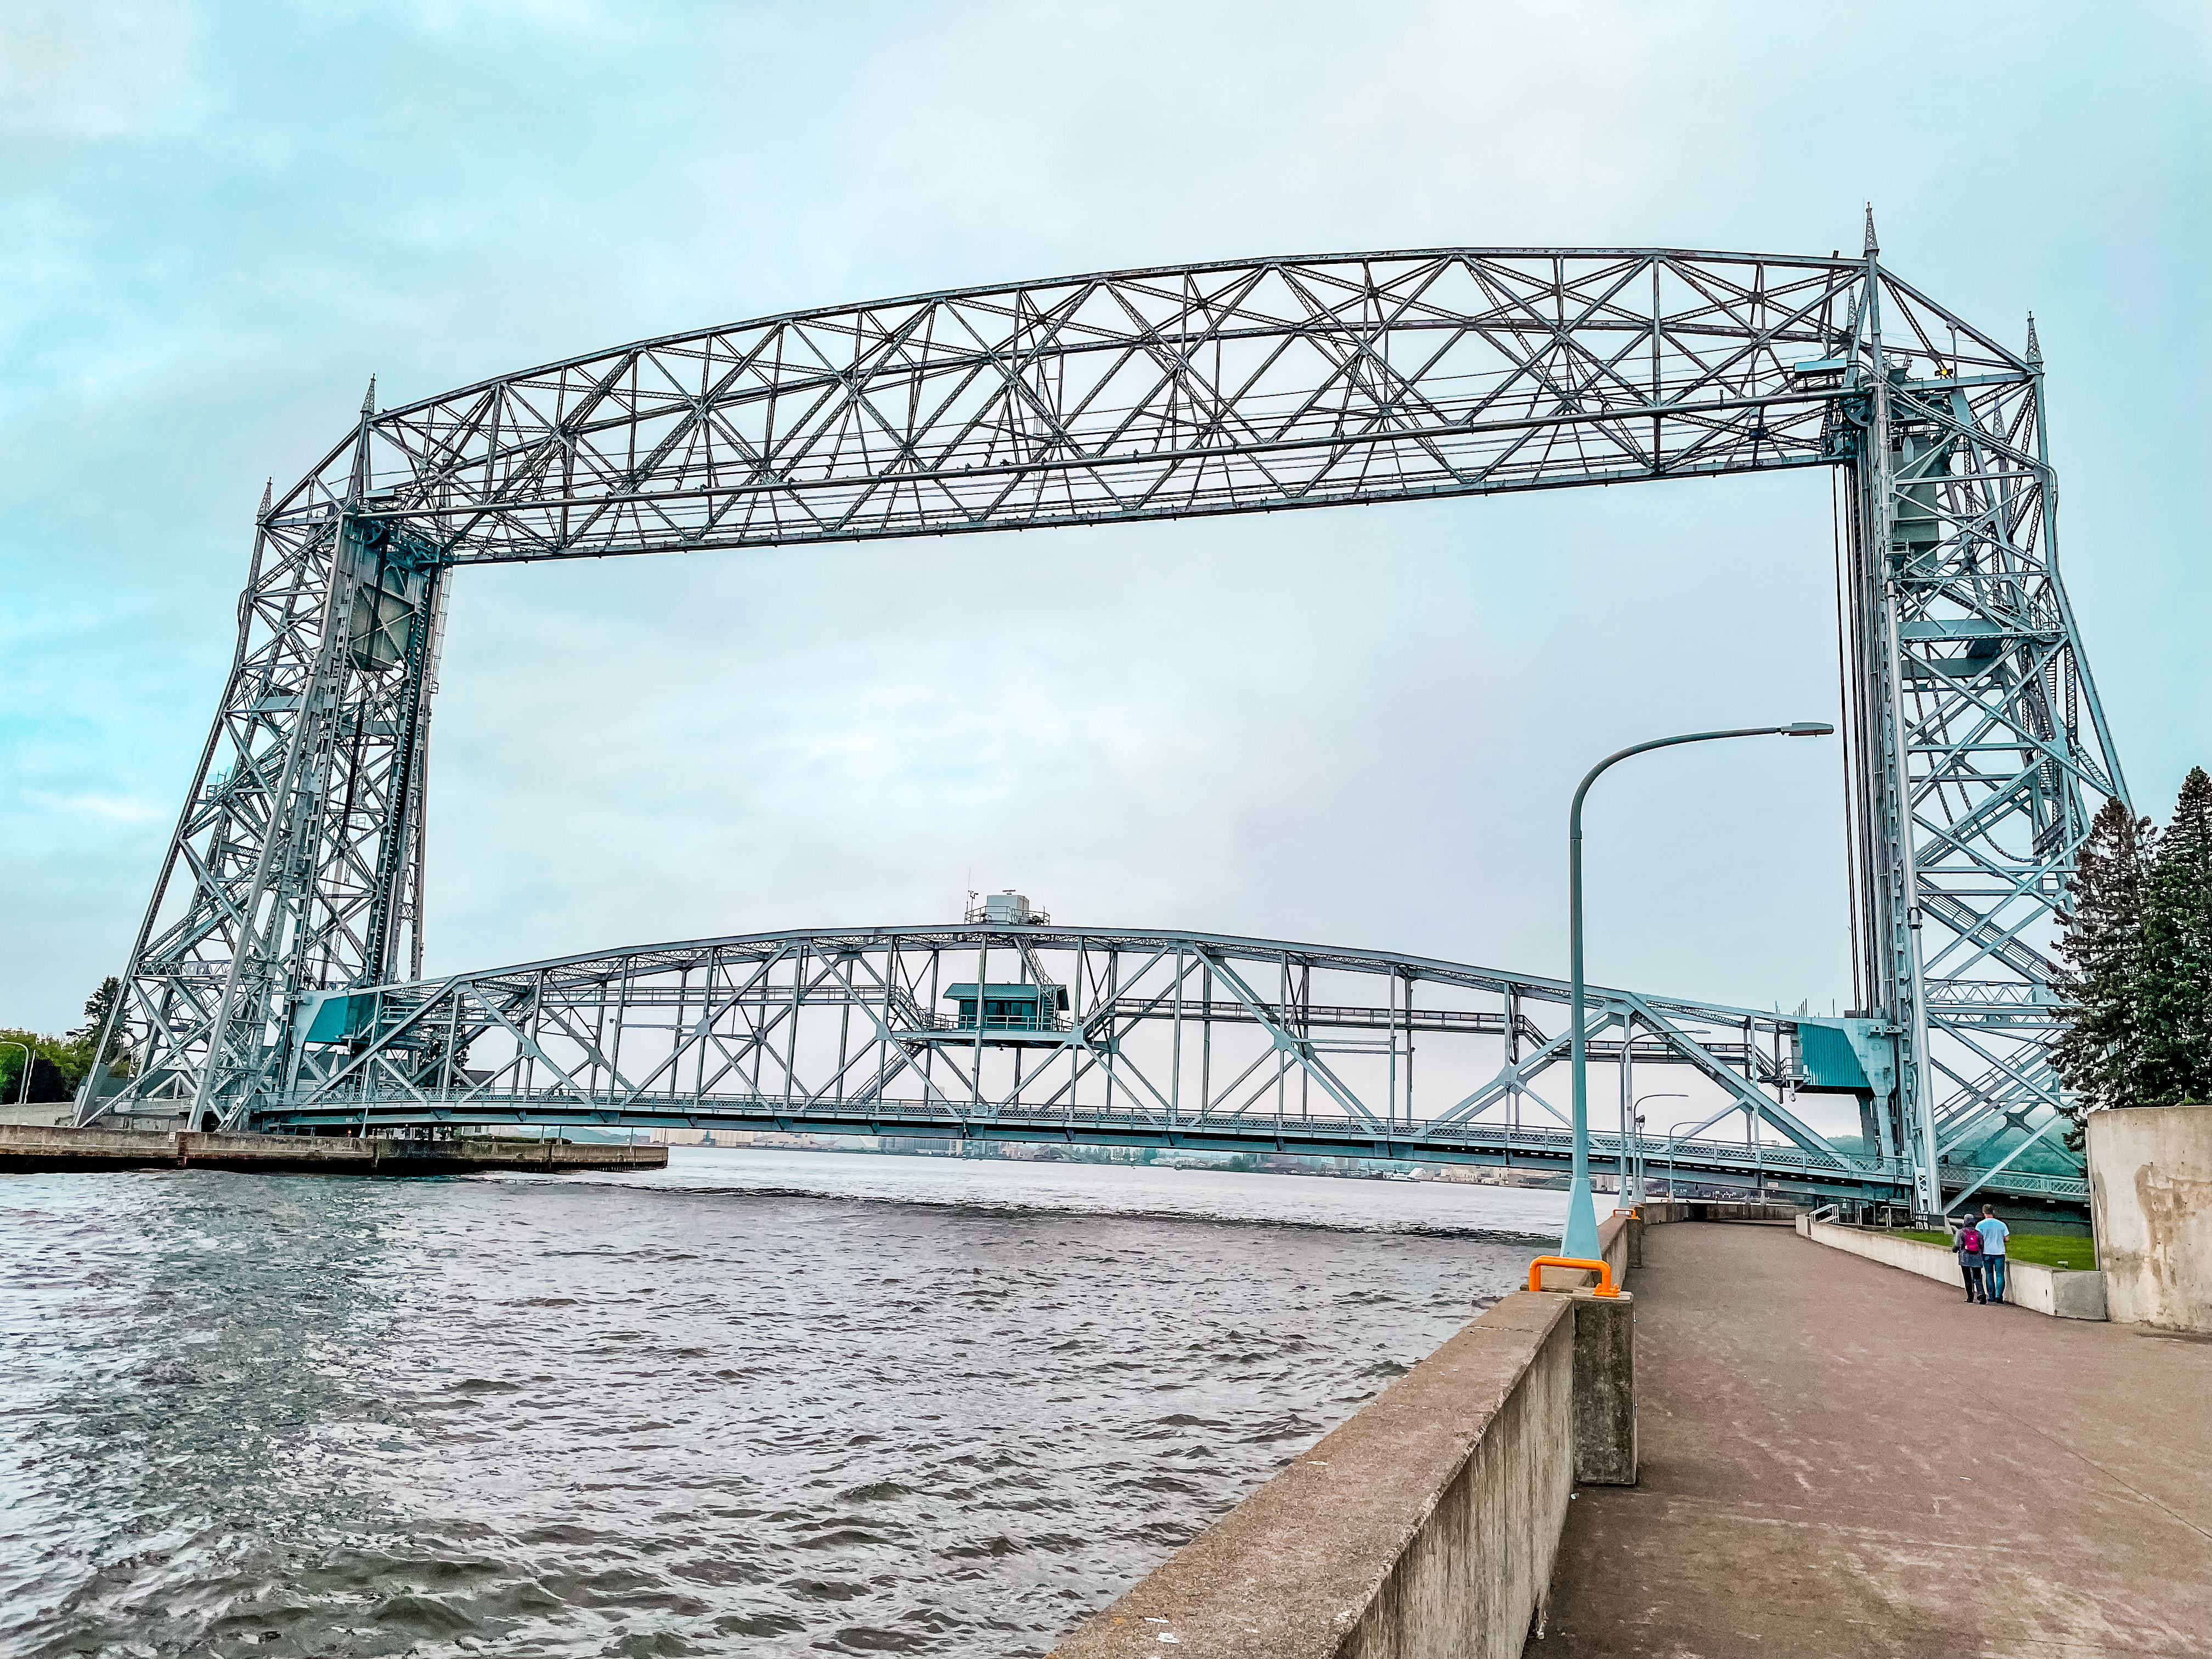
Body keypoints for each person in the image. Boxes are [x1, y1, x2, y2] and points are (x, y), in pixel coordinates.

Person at [1976, 1205, 2010, 1304]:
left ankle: (1991, 1296)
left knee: (1989, 1275)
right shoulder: (2001, 1224)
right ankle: (1999, 1296)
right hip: (1999, 1252)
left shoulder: (1980, 1225)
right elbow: (2007, 1238)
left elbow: (1979, 1239)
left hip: (1987, 1252)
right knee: (2000, 1275)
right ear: (1993, 1212)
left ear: (1984, 1212)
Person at [1954, 1215, 1986, 1303]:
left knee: (1967, 1278)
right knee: (1978, 1277)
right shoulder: (1978, 1233)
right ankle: (1981, 1294)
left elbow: (1957, 1245)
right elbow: (1982, 1246)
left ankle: (1970, 1297)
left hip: (1965, 1258)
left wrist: (1955, 1249)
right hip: (1977, 1257)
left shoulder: (1961, 1232)